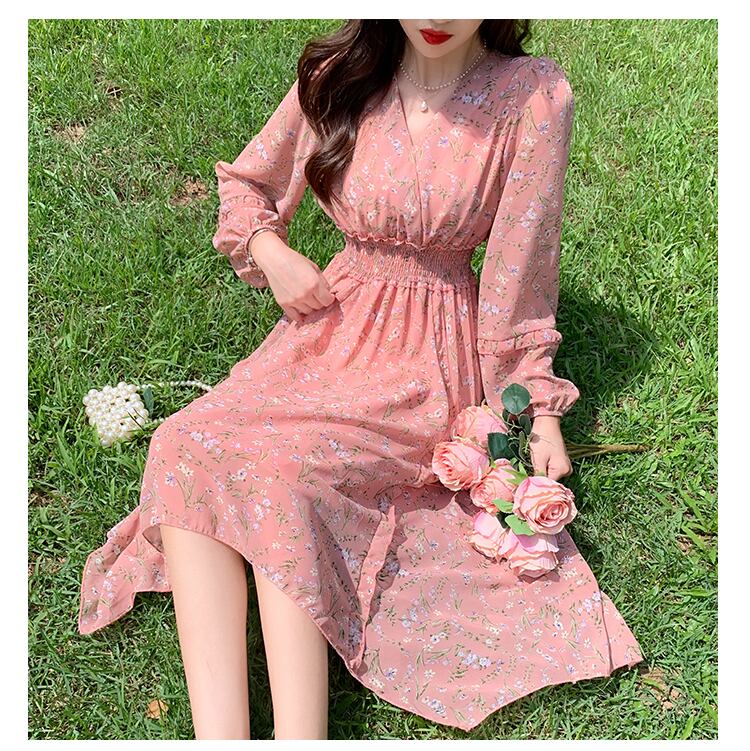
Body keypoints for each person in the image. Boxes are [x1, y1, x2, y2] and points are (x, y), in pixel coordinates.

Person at [77, 19, 644, 740]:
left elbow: (521, 273)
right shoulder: (340, 73)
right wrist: (269, 250)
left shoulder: (531, 96)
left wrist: (537, 406)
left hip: (427, 356)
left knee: (288, 474)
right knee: (185, 442)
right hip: (325, 331)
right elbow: (248, 184)